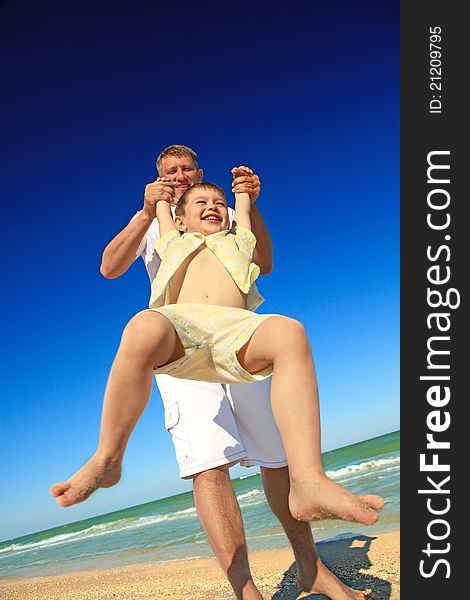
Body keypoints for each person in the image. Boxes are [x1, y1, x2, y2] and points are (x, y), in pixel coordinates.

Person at [50, 146, 382, 600]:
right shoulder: (159, 219)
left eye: (188, 169)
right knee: (208, 465)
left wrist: (248, 203)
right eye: (171, 171)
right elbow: (109, 267)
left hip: (238, 338)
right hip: (180, 341)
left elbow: (260, 261)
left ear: (200, 173)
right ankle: (244, 590)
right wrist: (149, 211)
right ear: (160, 180)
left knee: (278, 456)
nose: (181, 176)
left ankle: (311, 566)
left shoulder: (222, 218)